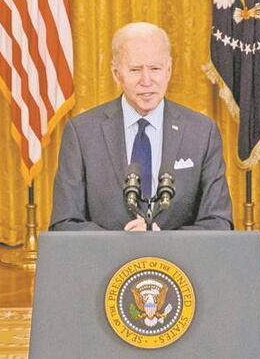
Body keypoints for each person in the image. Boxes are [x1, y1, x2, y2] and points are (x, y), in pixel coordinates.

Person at [50, 22, 233, 231]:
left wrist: (164, 241)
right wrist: (121, 243)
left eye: (155, 69)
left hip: (179, 263)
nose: (147, 81)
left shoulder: (202, 132)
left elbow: (218, 222)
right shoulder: (82, 133)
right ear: (116, 73)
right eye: (135, 70)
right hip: (106, 262)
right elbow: (64, 223)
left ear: (169, 70)